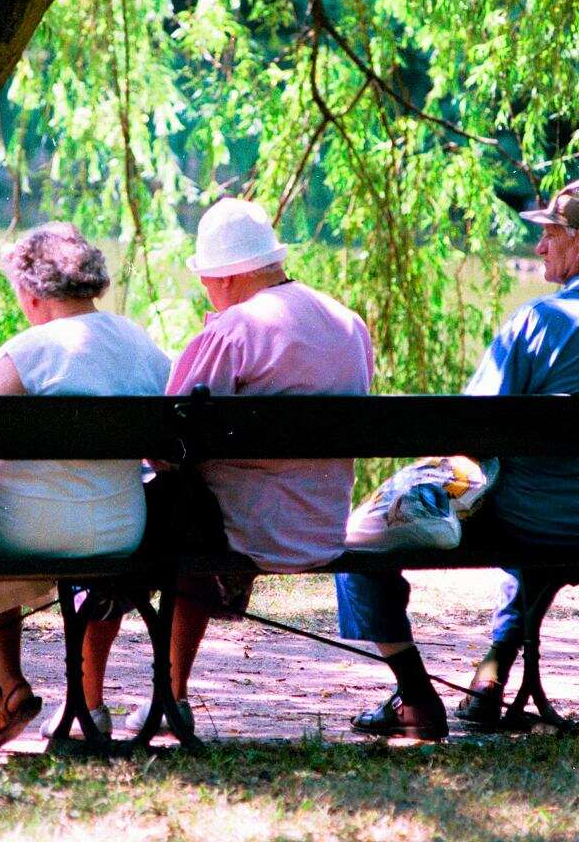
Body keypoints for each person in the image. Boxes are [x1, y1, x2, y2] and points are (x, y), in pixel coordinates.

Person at [335, 178, 579, 739]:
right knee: (536, 498)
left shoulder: (538, 323)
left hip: (533, 522)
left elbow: (471, 434)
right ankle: (493, 669)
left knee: (362, 540)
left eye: (550, 235)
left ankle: (415, 696)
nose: (540, 248)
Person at [59, 198, 375, 737]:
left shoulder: (234, 330)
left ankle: (89, 705)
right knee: (190, 512)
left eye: (207, 279)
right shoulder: (349, 324)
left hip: (239, 532)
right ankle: (171, 694)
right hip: (320, 528)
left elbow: (164, 444)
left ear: (226, 278)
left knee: (112, 516)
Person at [0, 222, 171, 756]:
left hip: (27, 537)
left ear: (31, 295)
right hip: (121, 533)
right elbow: (164, 455)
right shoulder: (143, 346)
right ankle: (7, 682)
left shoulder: (25, 353)